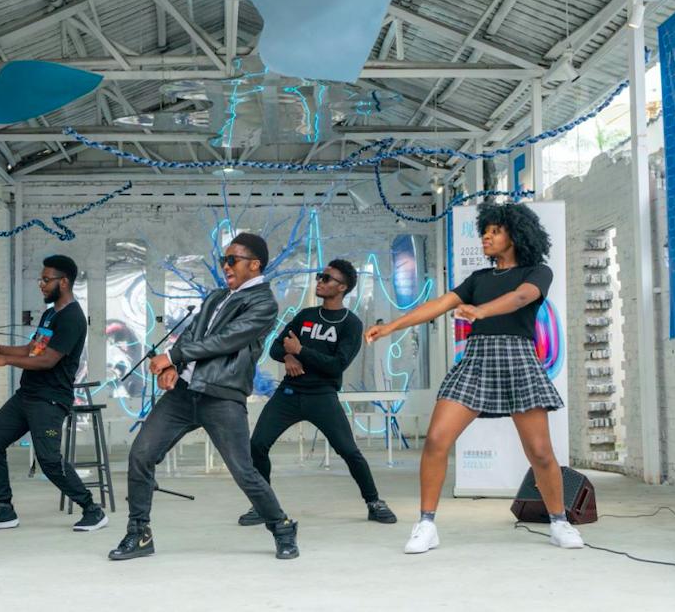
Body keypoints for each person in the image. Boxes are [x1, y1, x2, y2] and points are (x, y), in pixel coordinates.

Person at [366, 202, 584, 554]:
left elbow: (521, 297)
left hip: (518, 360)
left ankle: (559, 522)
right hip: (477, 360)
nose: (486, 237)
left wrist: (481, 311)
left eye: (495, 231)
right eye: (485, 231)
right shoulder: (479, 279)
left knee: (541, 452)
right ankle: (426, 524)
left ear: (516, 235)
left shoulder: (537, 272)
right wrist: (391, 326)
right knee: (436, 439)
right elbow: (438, 304)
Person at [108, 233, 300, 561]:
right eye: (224, 260)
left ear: (255, 265)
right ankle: (139, 533)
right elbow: (192, 334)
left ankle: (282, 527)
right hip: (184, 394)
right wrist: (174, 367)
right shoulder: (216, 297)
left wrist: (172, 357)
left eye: (232, 260)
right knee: (141, 454)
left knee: (243, 472)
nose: (225, 266)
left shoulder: (264, 304)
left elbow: (226, 340)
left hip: (222, 396)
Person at [237, 259, 397, 526]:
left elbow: (336, 365)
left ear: (342, 287)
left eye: (326, 278)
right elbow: (276, 347)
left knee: (349, 451)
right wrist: (288, 357)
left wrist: (300, 350)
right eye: (320, 277)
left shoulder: (351, 324)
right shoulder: (305, 316)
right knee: (257, 445)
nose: (319, 281)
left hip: (322, 396)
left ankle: (374, 502)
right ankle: (263, 506)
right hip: (288, 394)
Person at [0, 255, 106, 532]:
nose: (41, 284)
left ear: (64, 282)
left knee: (49, 460)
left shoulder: (72, 318)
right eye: (41, 279)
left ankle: (92, 510)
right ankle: (4, 509)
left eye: (46, 280)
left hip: (50, 399)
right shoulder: (50, 314)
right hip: (27, 395)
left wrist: (6, 361)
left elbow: (48, 360)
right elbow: (32, 350)